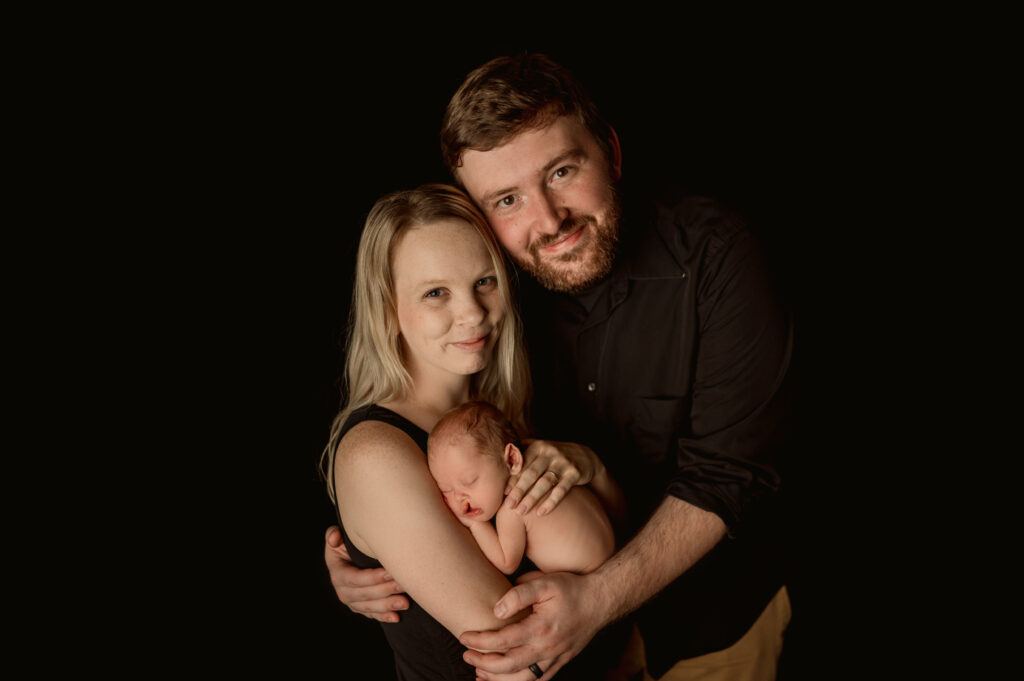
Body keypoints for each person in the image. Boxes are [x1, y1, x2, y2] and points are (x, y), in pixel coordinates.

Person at [325, 53, 794, 681]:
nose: (548, 220)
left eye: (563, 171)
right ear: (485, 214)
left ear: (612, 153)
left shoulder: (716, 255)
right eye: (509, 199)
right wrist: (366, 541)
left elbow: (730, 474)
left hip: (712, 621)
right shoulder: (493, 307)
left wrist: (598, 595)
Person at [322, 182, 627, 681]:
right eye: (436, 292)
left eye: (484, 281)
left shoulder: (501, 410)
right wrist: (599, 600)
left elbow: (616, 534)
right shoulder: (375, 453)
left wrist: (590, 467)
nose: (473, 313)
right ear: (386, 310)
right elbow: (519, 657)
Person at [427, 400, 617, 576]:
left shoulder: (513, 506)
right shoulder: (551, 468)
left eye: (469, 482)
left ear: (511, 459)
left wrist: (475, 524)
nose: (460, 497)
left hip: (588, 575)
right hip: (615, 549)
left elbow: (506, 562)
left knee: (522, 584)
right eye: (446, 490)